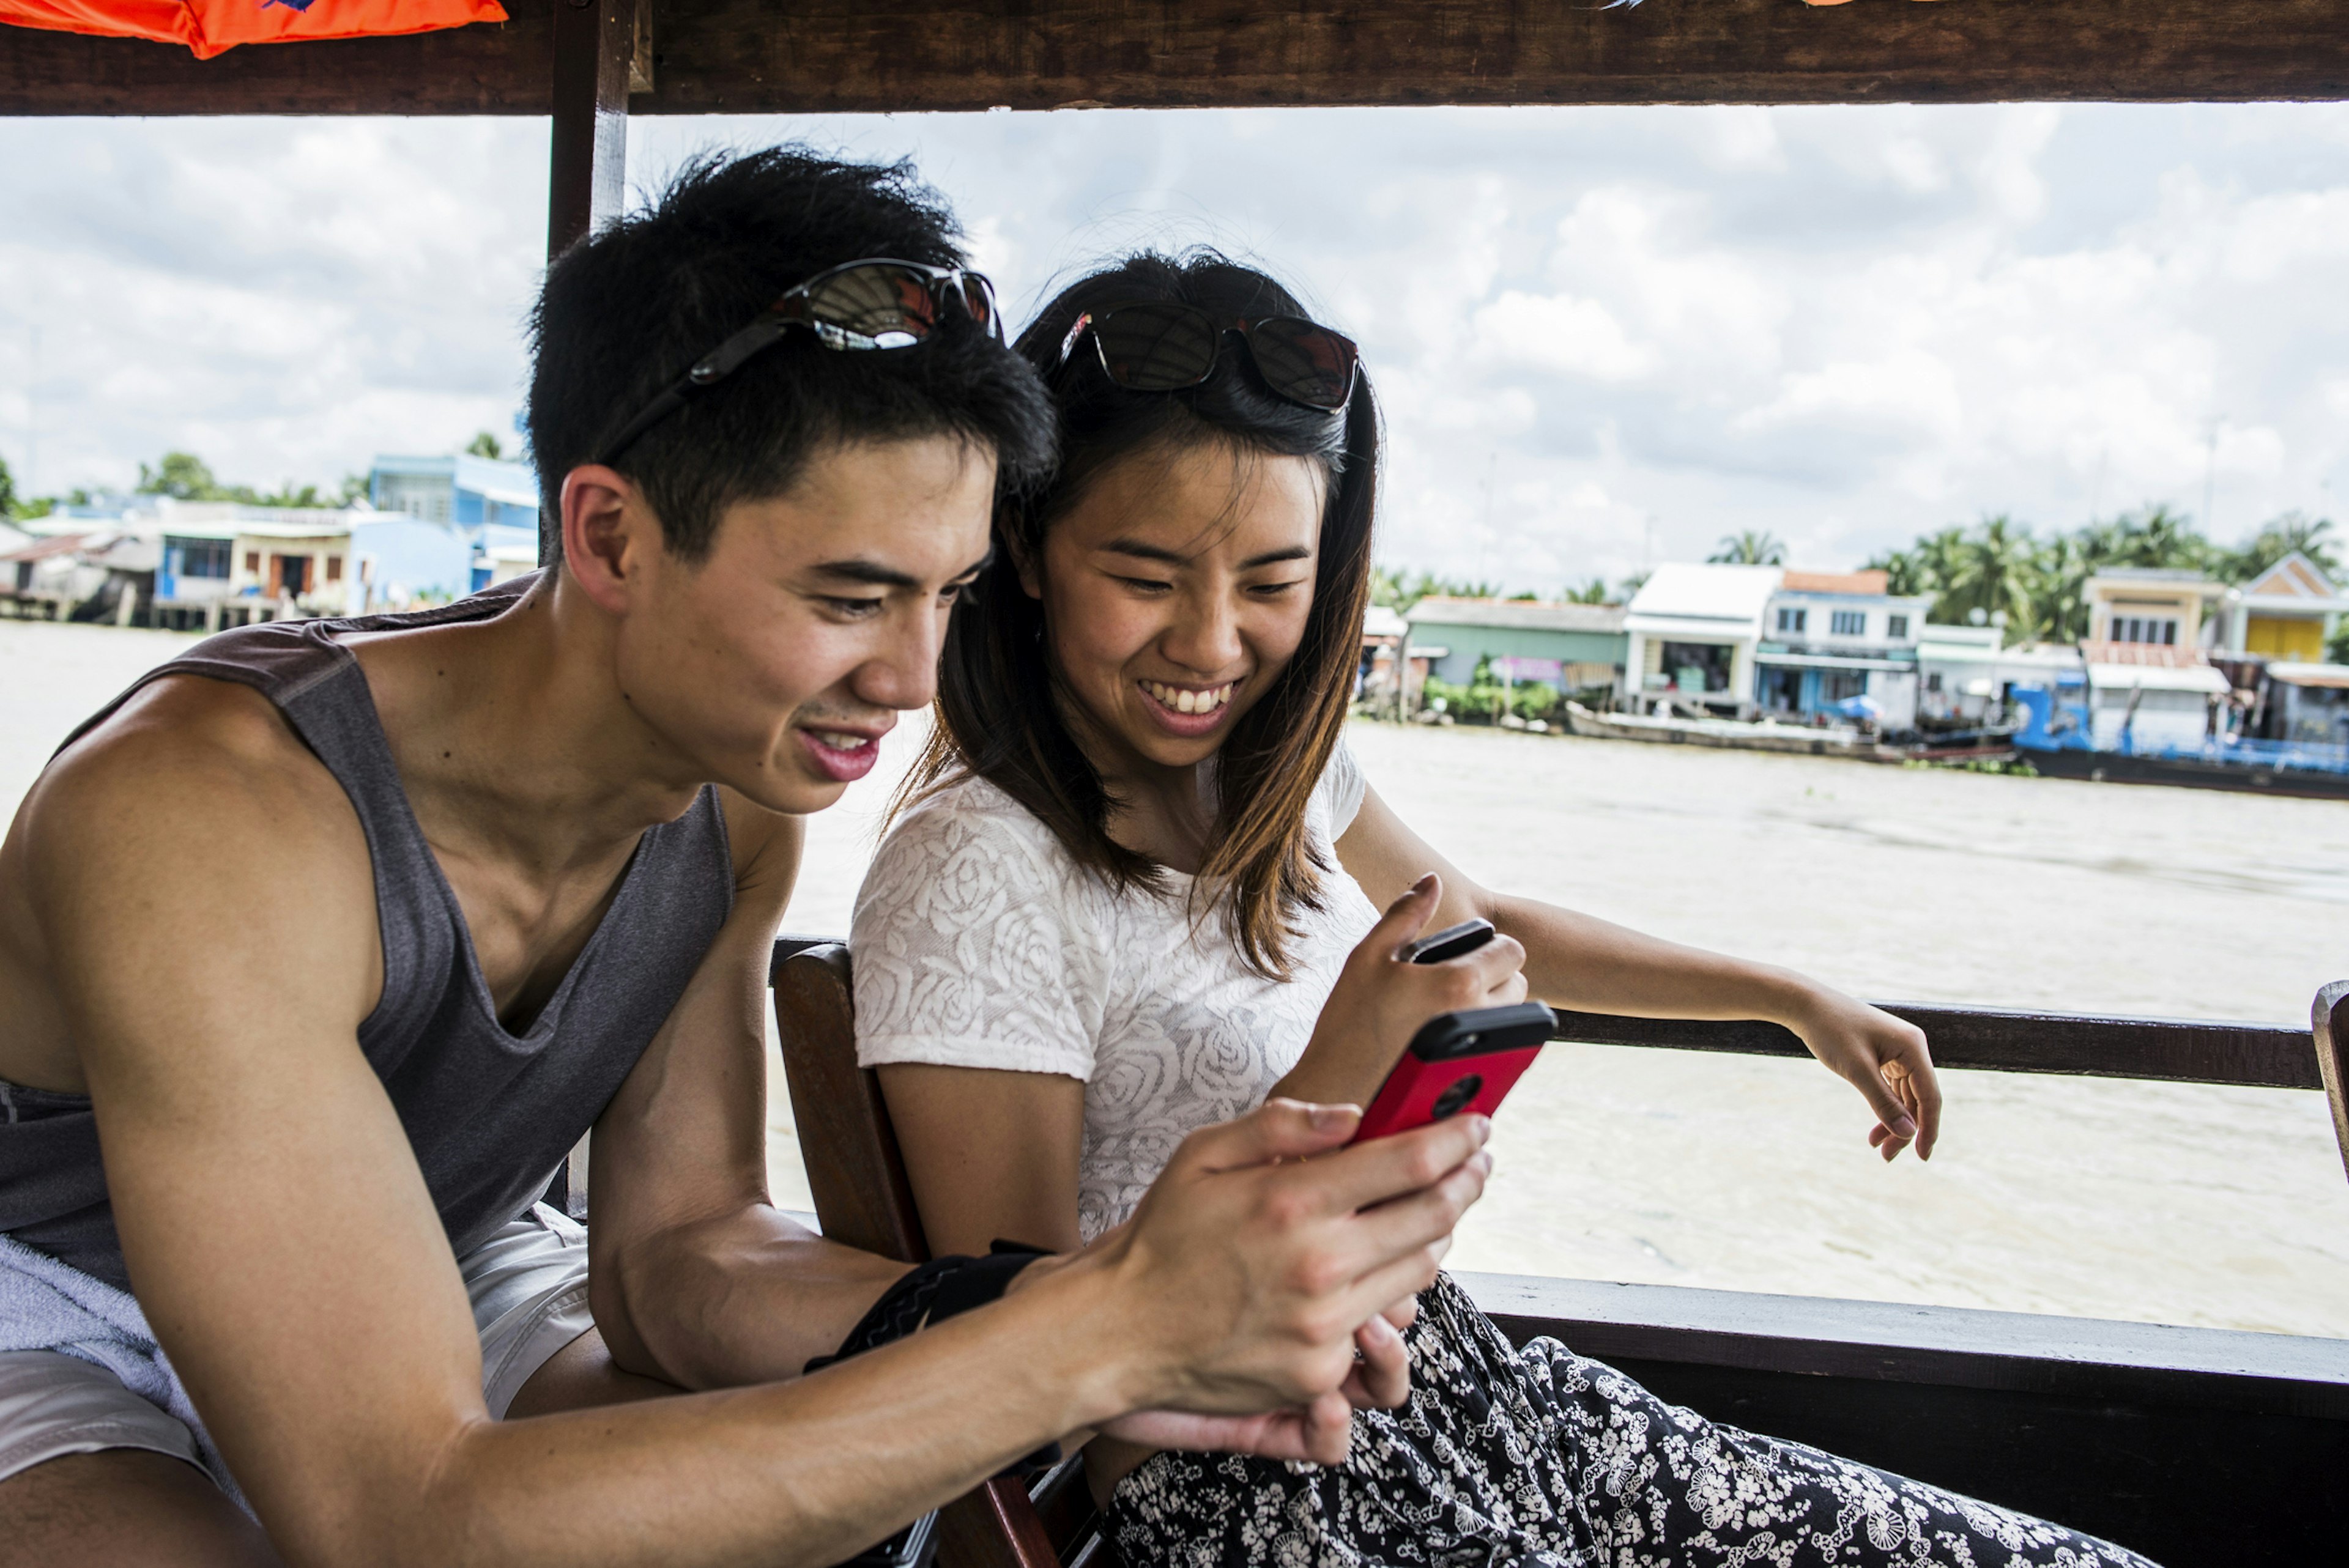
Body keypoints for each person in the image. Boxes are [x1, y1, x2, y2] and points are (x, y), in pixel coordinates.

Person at [0, 157, 1498, 1567]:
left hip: (442, 1259)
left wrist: (1080, 1312)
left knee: (840, 1514)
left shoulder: (734, 799)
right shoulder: (207, 814)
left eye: (948, 595)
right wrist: (1096, 1334)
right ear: (611, 535)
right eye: (852, 594)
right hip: (49, 1306)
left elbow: (678, 1255)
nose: (915, 679)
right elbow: (397, 1512)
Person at [850, 251, 2160, 1567]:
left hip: (1457, 1387)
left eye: (1269, 583)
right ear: (1023, 546)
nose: (1210, 644)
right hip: (1238, 1493)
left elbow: (1482, 926)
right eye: (1145, 576)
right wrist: (1344, 1072)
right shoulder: (976, 865)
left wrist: (1787, 999)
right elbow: (1011, 1381)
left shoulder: (1274, 779)